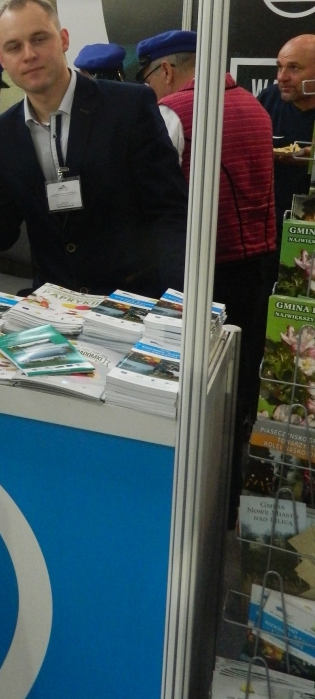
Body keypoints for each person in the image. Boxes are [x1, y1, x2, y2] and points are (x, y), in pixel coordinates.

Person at [0, 0, 188, 297]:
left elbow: (170, 213)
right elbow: (5, 229)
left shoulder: (128, 107)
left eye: (39, 39)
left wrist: (175, 304)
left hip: (129, 301)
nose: (29, 54)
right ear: (2, 59)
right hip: (51, 304)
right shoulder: (5, 131)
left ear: (63, 39)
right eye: (14, 47)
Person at [136, 29, 277, 523]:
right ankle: (234, 495)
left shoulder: (173, 111)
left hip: (203, 267)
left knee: (198, 381)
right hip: (257, 261)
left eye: (148, 78)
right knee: (241, 379)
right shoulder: (255, 107)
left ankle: (194, 498)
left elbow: (157, 198)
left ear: (166, 70)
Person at [258, 34, 315, 242]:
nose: (282, 77)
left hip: (309, 213)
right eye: (279, 67)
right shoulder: (268, 99)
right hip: (274, 220)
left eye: (294, 68)